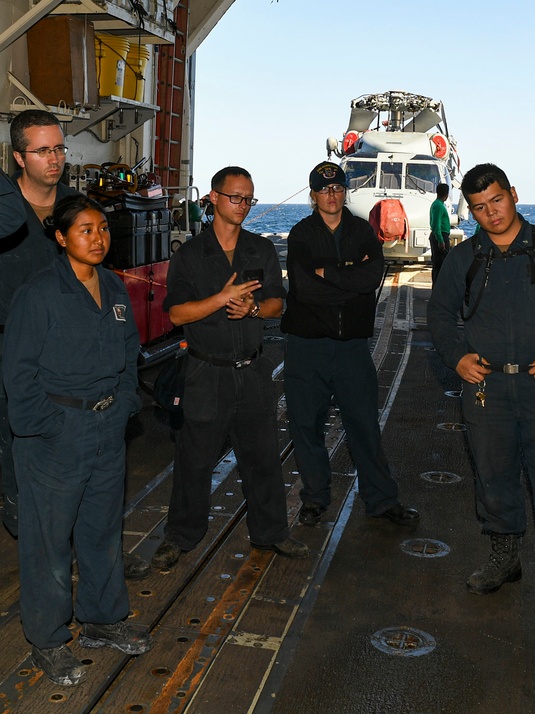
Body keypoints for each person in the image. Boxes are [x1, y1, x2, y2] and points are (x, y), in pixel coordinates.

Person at [427, 163, 535, 624]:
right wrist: (458, 357)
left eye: (497, 201)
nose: (491, 214)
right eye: (480, 208)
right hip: (486, 388)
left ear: (514, 194)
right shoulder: (464, 259)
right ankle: (505, 556)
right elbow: (440, 315)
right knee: (493, 474)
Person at [3, 195, 152, 686]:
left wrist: (126, 402)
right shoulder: (39, 292)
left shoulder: (111, 285)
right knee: (48, 542)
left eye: (103, 228)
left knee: (103, 529)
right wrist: (43, 427)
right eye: (85, 229)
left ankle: (102, 618)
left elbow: (131, 350)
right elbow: (18, 373)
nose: (98, 237)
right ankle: (48, 639)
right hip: (55, 433)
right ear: (61, 237)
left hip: (108, 427)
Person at [151, 166, 308, 569]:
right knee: (194, 461)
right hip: (207, 373)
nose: (242, 205)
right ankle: (180, 537)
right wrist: (220, 299)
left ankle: (272, 533)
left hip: (253, 371)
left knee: (263, 458)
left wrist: (254, 307)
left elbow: (278, 303)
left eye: (248, 198)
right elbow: (177, 314)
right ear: (214, 199)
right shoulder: (189, 256)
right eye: (235, 197)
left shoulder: (261, 249)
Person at [282, 161, 419, 528]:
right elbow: (304, 289)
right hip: (307, 346)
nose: (332, 195)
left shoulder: (362, 232)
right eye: (324, 190)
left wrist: (330, 274)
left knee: (364, 426)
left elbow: (372, 277)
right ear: (313, 195)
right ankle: (314, 498)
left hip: (351, 349)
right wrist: (349, 278)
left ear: (345, 191)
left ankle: (381, 501)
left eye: (338, 188)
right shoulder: (300, 235)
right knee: (306, 426)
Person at [0, 110, 72, 538]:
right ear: (18, 157)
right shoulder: (4, 211)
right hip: (11, 353)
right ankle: (28, 535)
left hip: (68, 354)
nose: (55, 158)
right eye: (43, 150)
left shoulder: (78, 211)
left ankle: (71, 538)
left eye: (60, 148)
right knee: (13, 443)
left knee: (69, 445)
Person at [429, 182, 451, 284]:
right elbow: (436, 225)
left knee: (441, 265)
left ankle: (438, 290)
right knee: (440, 265)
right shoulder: (438, 206)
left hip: (441, 235)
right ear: (446, 195)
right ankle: (437, 290)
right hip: (440, 236)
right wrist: (441, 240)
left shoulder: (438, 204)